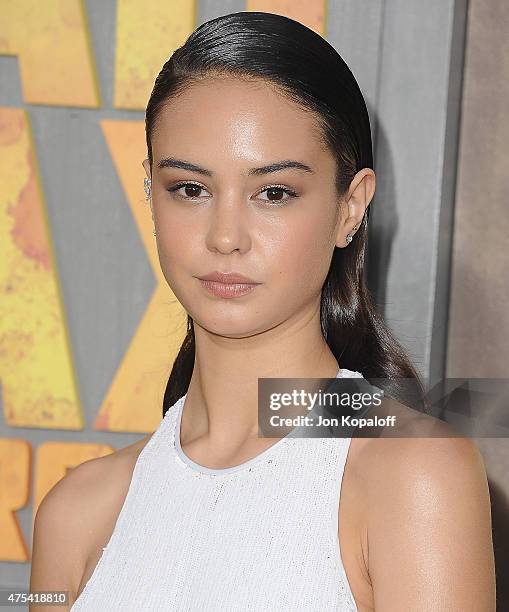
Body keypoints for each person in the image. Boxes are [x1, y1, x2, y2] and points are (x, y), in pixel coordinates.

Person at [30, 11, 496, 611]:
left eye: (274, 193)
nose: (226, 237)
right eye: (190, 188)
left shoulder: (415, 477)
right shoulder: (76, 513)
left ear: (350, 207)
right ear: (150, 191)